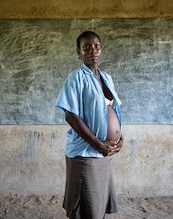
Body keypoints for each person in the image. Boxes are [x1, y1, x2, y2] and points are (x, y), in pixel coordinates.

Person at [55, 31, 124, 219]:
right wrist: (98, 143)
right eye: (86, 47)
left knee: (98, 206)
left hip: (104, 152)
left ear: (101, 49)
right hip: (87, 153)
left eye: (96, 46)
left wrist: (119, 138)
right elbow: (71, 116)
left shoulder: (106, 78)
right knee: (86, 209)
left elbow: (113, 111)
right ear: (79, 52)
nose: (92, 50)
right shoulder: (75, 78)